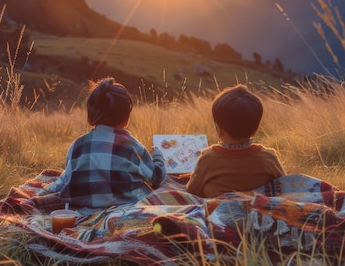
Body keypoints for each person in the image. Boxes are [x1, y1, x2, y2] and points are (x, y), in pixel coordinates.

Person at [43, 77, 166, 210]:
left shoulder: (77, 145)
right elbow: (157, 178)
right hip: (125, 210)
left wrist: (46, 190)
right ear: (126, 117)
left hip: (82, 211)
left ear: (91, 114)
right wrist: (158, 156)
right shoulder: (132, 147)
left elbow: (67, 178)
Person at [186, 84, 285, 198]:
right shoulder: (268, 157)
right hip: (258, 213)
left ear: (218, 130)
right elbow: (284, 188)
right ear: (255, 130)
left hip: (217, 213)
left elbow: (193, 190)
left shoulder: (207, 158)